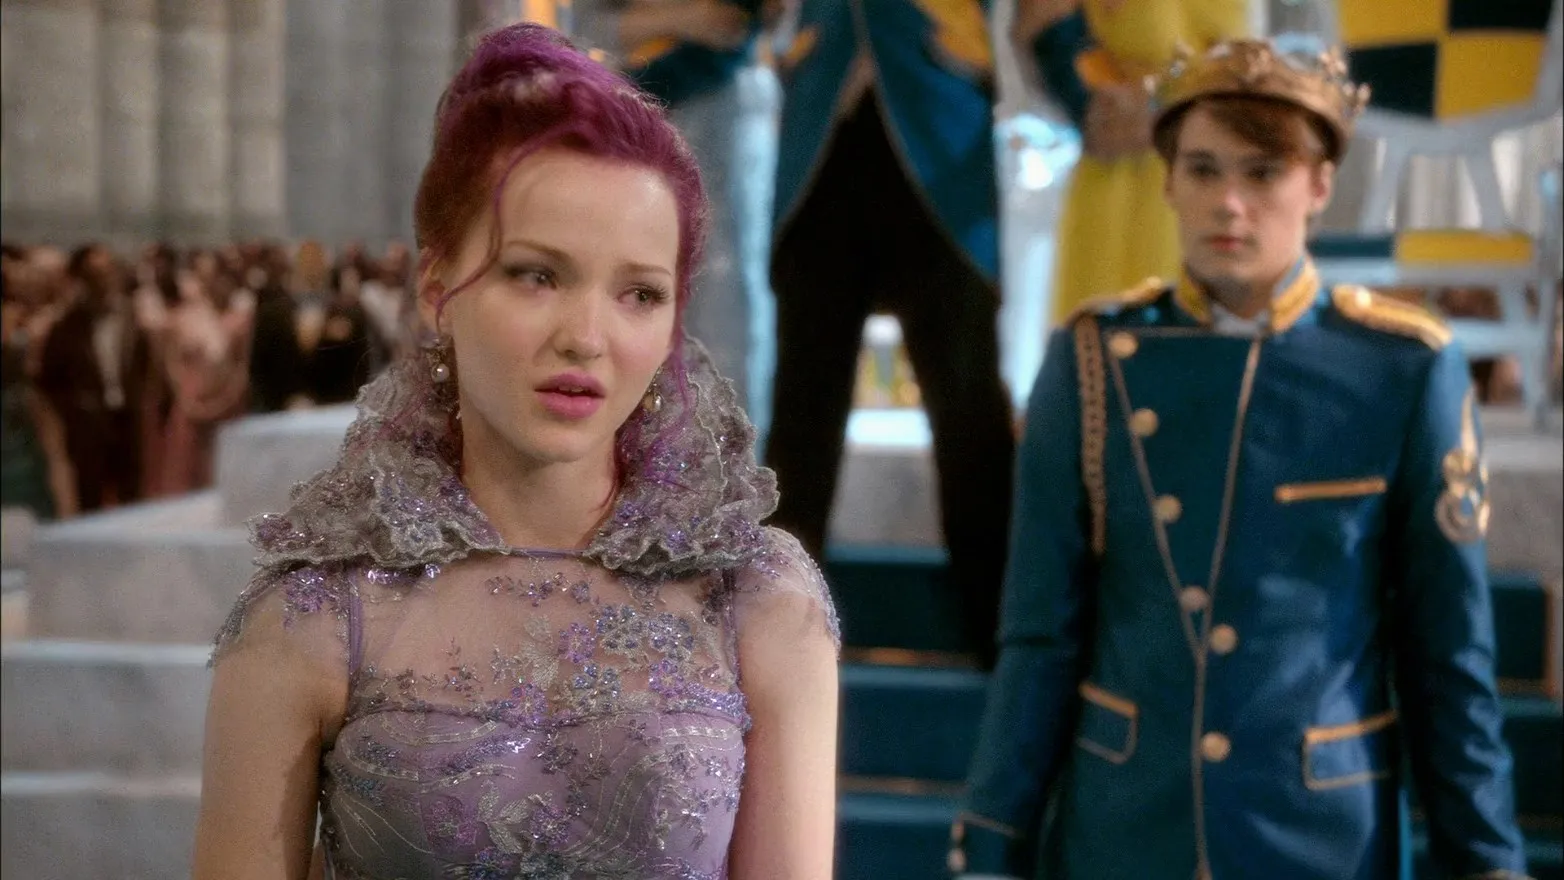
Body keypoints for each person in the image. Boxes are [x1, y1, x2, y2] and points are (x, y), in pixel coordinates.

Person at [191, 24, 839, 878]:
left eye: (640, 294)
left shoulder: (757, 602)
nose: (587, 337)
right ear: (437, 291)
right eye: (537, 275)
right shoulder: (311, 617)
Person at [952, 38, 1532, 880]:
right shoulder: (1092, 359)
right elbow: (1040, 638)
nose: (1229, 203)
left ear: (1319, 186)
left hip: (1318, 836)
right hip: (1129, 830)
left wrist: (1486, 861)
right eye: (1203, 170)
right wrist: (989, 846)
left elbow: (1448, 659)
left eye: (1263, 174)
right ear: (1168, 182)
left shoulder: (1401, 369)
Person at [766, 0, 1015, 666]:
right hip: (820, 134)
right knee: (802, 415)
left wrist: (1009, 62)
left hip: (940, 130)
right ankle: (773, 642)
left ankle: (1003, 644)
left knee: (968, 411)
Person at [1019, 0, 1250, 324]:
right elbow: (1044, 24)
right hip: (1113, 161)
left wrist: (1172, 106)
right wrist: (1092, 103)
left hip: (1205, 162)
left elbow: (1243, 61)